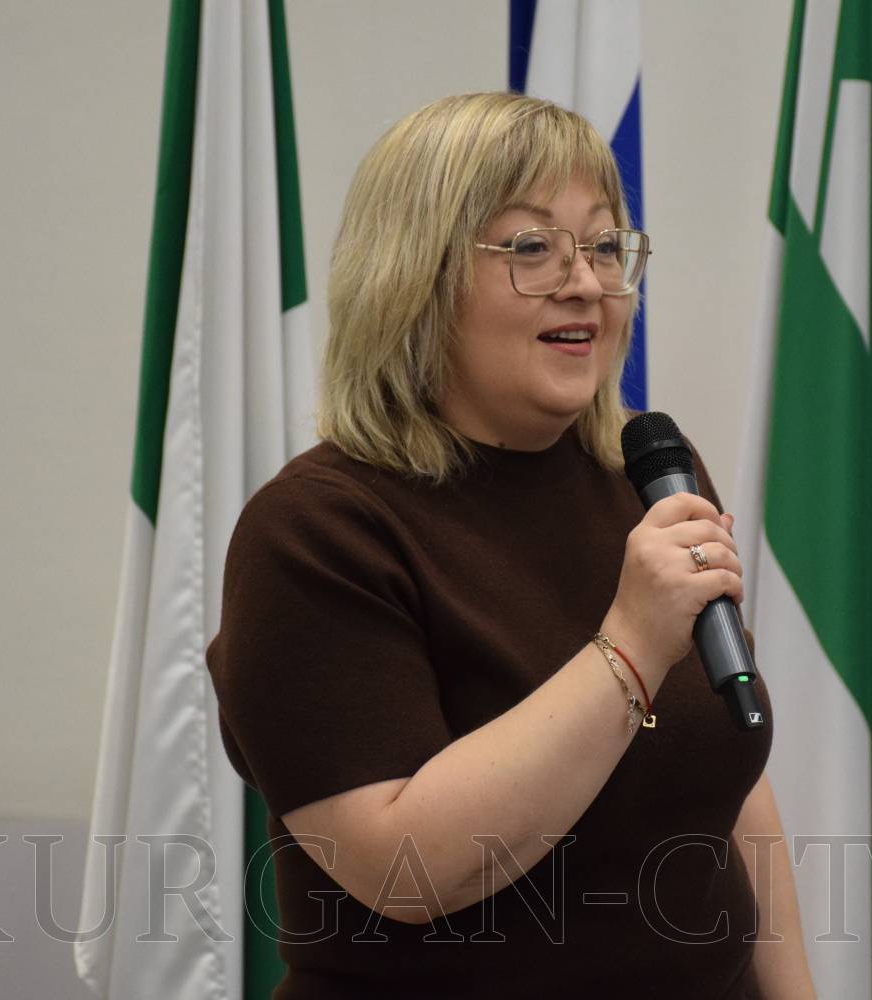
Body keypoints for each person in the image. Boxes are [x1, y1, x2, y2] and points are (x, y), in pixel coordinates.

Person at [207, 92, 814, 999]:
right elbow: (402, 868)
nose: (586, 283)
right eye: (532, 248)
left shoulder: (649, 472)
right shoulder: (316, 530)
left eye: (603, 246)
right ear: (415, 276)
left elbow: (728, 786)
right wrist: (630, 646)